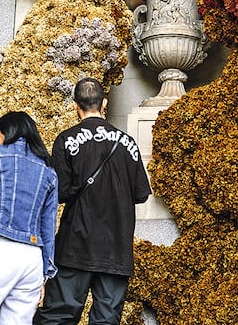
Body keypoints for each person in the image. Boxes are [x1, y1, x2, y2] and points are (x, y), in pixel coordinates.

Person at [35, 77, 151, 325]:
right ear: (104, 103)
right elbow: (140, 194)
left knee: (59, 315)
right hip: (116, 249)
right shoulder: (128, 143)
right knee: (107, 319)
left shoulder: (65, 140)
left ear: (75, 105)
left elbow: (60, 193)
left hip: (75, 245)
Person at [0, 111, 58, 325]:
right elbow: (48, 227)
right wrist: (44, 275)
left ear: (3, 132)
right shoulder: (48, 171)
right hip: (32, 260)